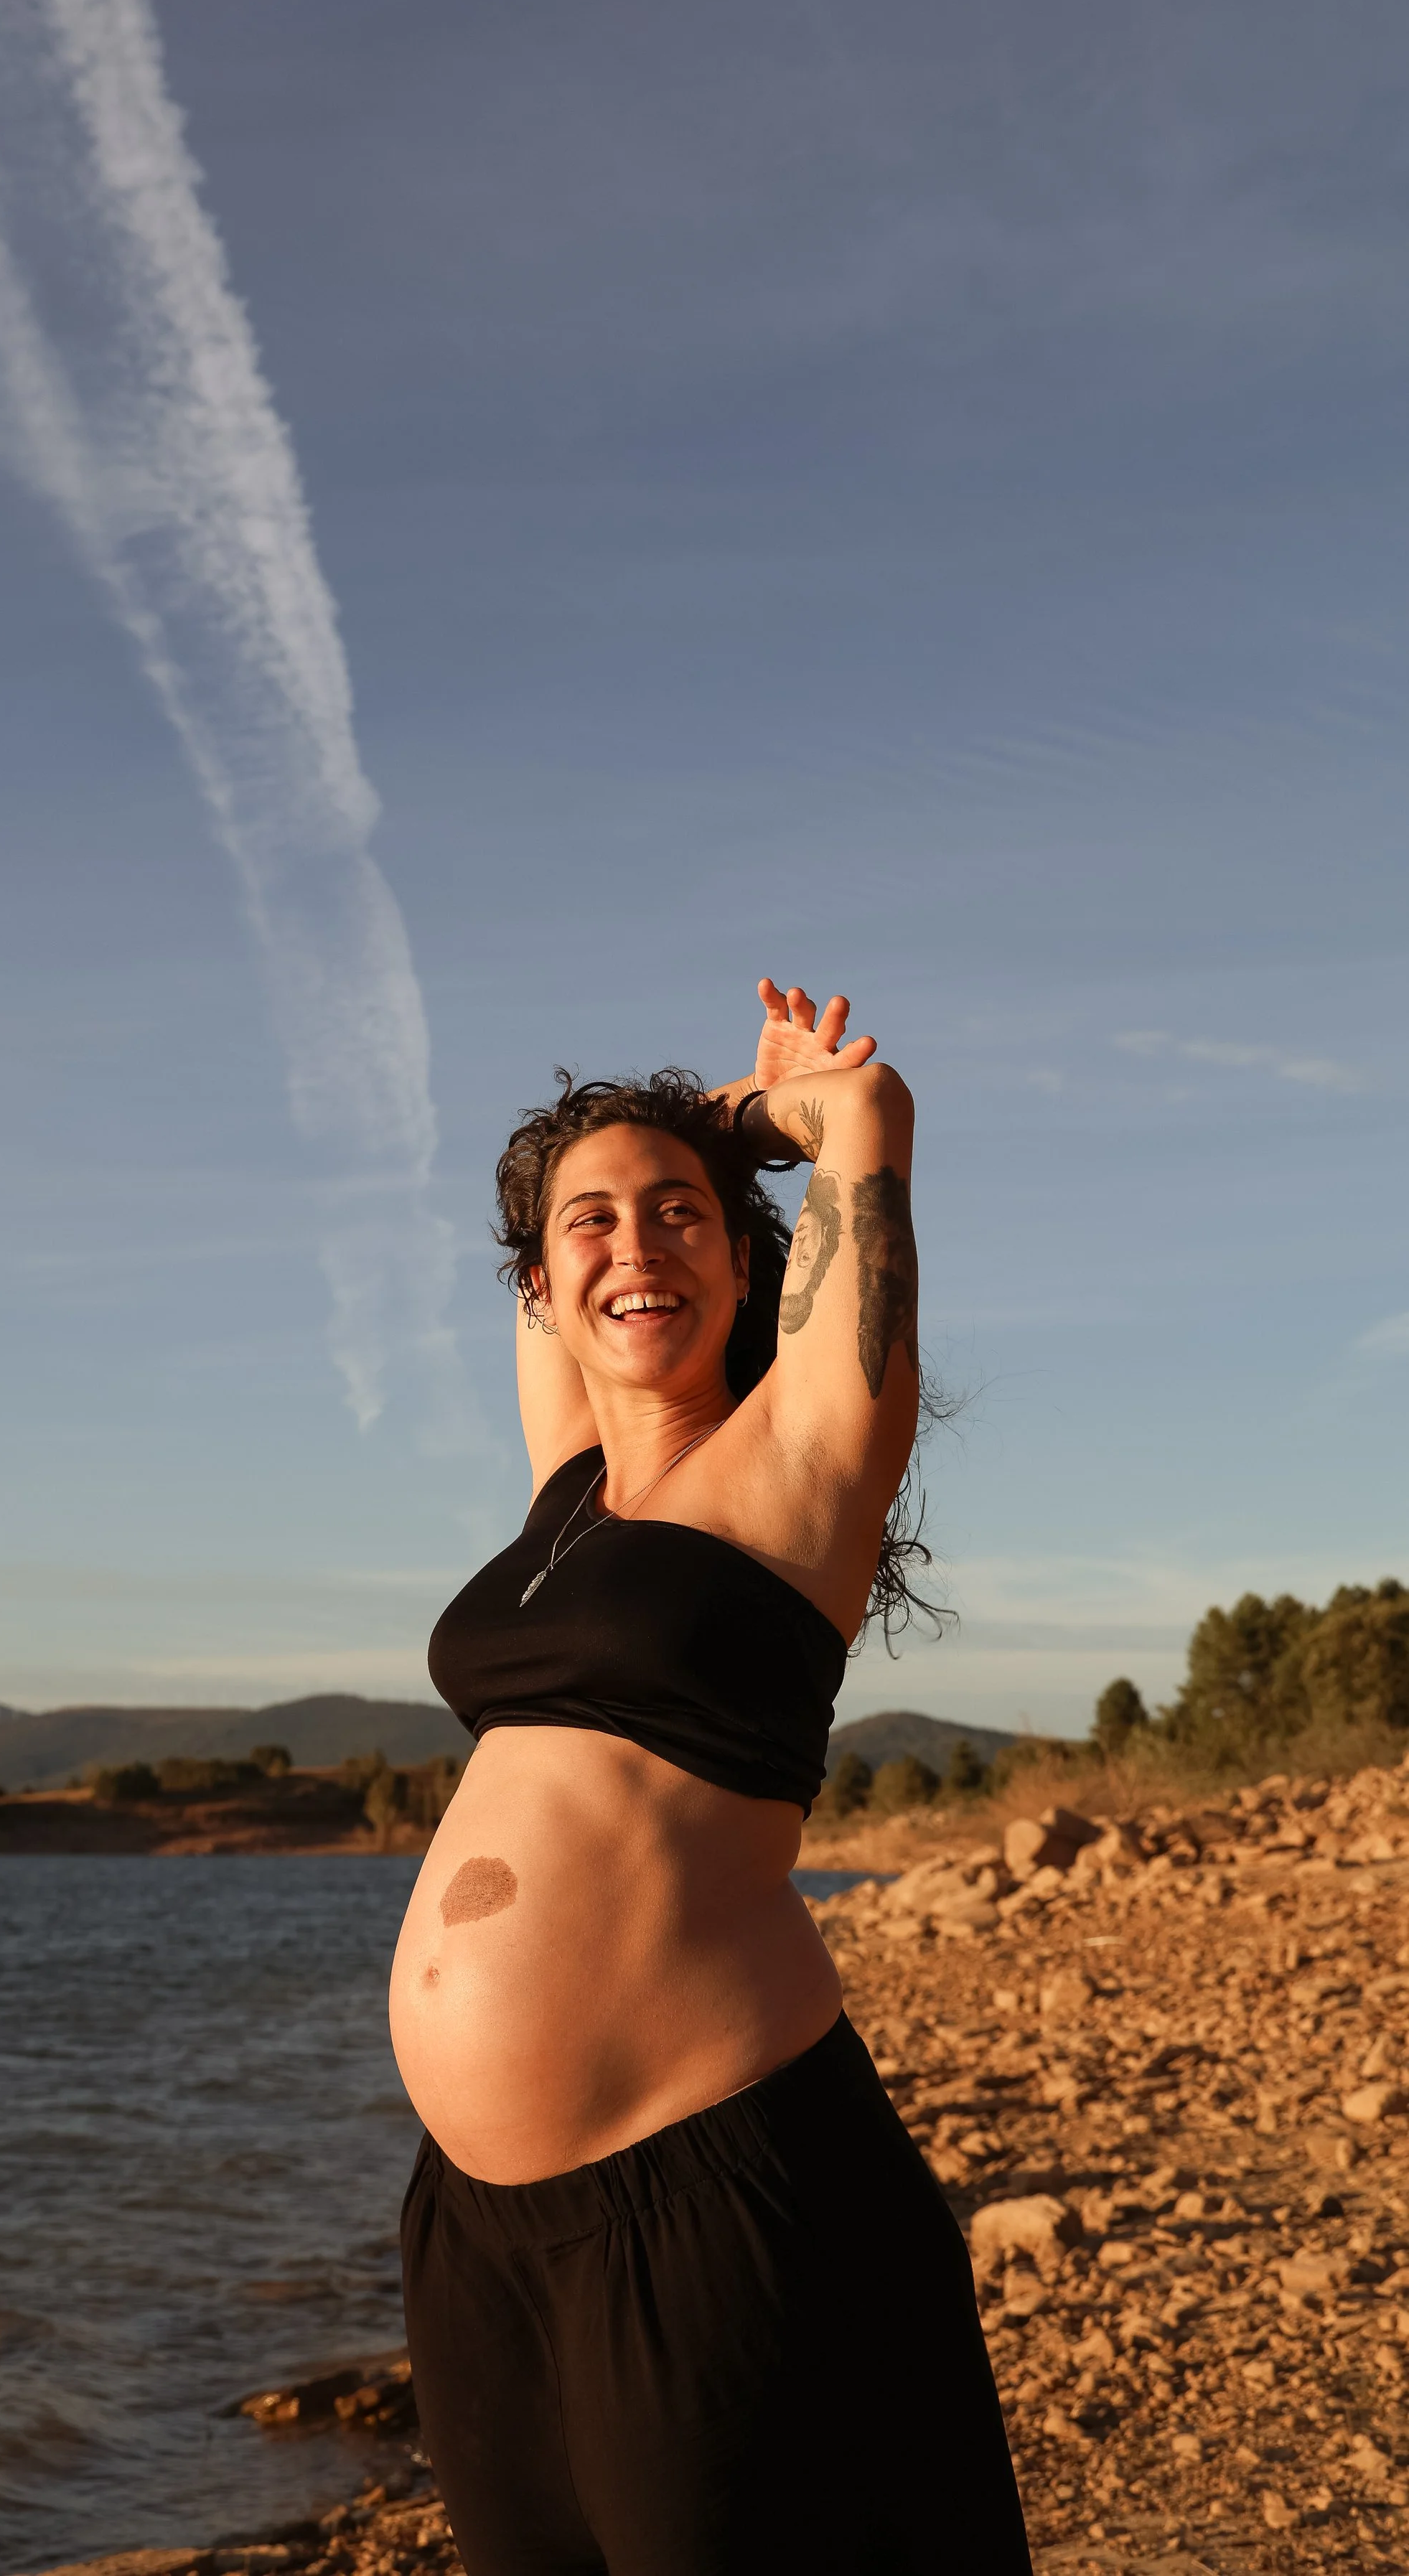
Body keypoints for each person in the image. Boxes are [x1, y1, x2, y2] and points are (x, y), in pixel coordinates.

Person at [390, 979, 1031, 2576]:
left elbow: (866, 1126)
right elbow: (551, 1268)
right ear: (541, 1280)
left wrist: (755, 1121)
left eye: (678, 1216)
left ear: (748, 1261)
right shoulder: (566, 1493)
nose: (632, 1243)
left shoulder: (803, 1460)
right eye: (588, 1225)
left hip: (712, 2184)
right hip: (478, 2223)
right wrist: (624, 1172)